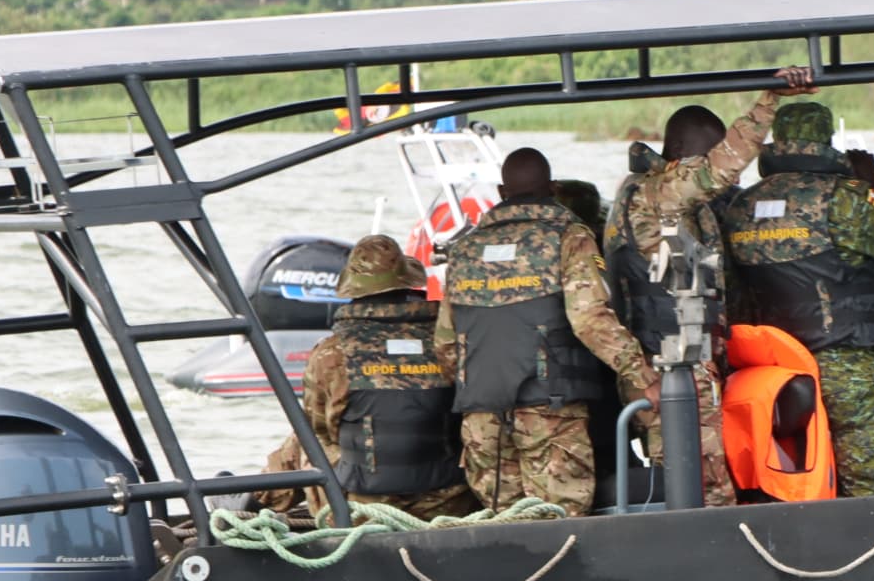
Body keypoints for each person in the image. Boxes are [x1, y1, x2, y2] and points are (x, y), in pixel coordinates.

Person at [604, 76, 814, 506]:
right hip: (674, 373)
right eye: (707, 156)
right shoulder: (655, 194)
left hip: (684, 367)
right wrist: (769, 100)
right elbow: (725, 166)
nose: (715, 179)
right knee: (705, 492)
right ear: (682, 154)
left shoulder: (670, 203)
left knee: (704, 484)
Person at [722, 99, 874, 497]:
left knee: (792, 479)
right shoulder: (843, 198)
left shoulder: (740, 206)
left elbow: (733, 290)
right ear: (825, 140)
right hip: (848, 362)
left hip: (775, 370)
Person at [436, 147, 660, 514]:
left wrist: (475, 387)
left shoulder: (464, 249)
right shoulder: (568, 237)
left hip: (482, 420)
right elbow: (589, 318)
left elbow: (445, 344)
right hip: (550, 412)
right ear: (552, 188)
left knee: (502, 529)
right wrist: (641, 374)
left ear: (501, 192)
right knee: (559, 523)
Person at [254, 234, 472, 521]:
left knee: (305, 438)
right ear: (409, 285)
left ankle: (262, 495)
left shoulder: (332, 353)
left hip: (362, 509)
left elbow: (322, 428)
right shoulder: (450, 342)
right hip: (449, 505)